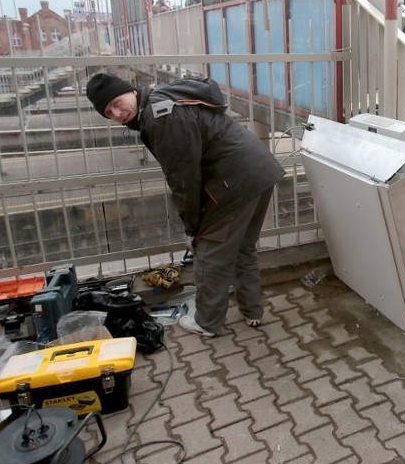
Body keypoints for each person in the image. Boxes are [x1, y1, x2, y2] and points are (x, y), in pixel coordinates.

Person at [85, 73, 285, 338]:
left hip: (234, 181)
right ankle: (253, 311)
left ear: (131, 91)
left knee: (209, 253)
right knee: (242, 246)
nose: (117, 112)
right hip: (258, 170)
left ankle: (207, 322)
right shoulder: (162, 98)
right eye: (109, 111)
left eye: (118, 102)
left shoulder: (160, 116)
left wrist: (192, 226)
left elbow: (183, 178)